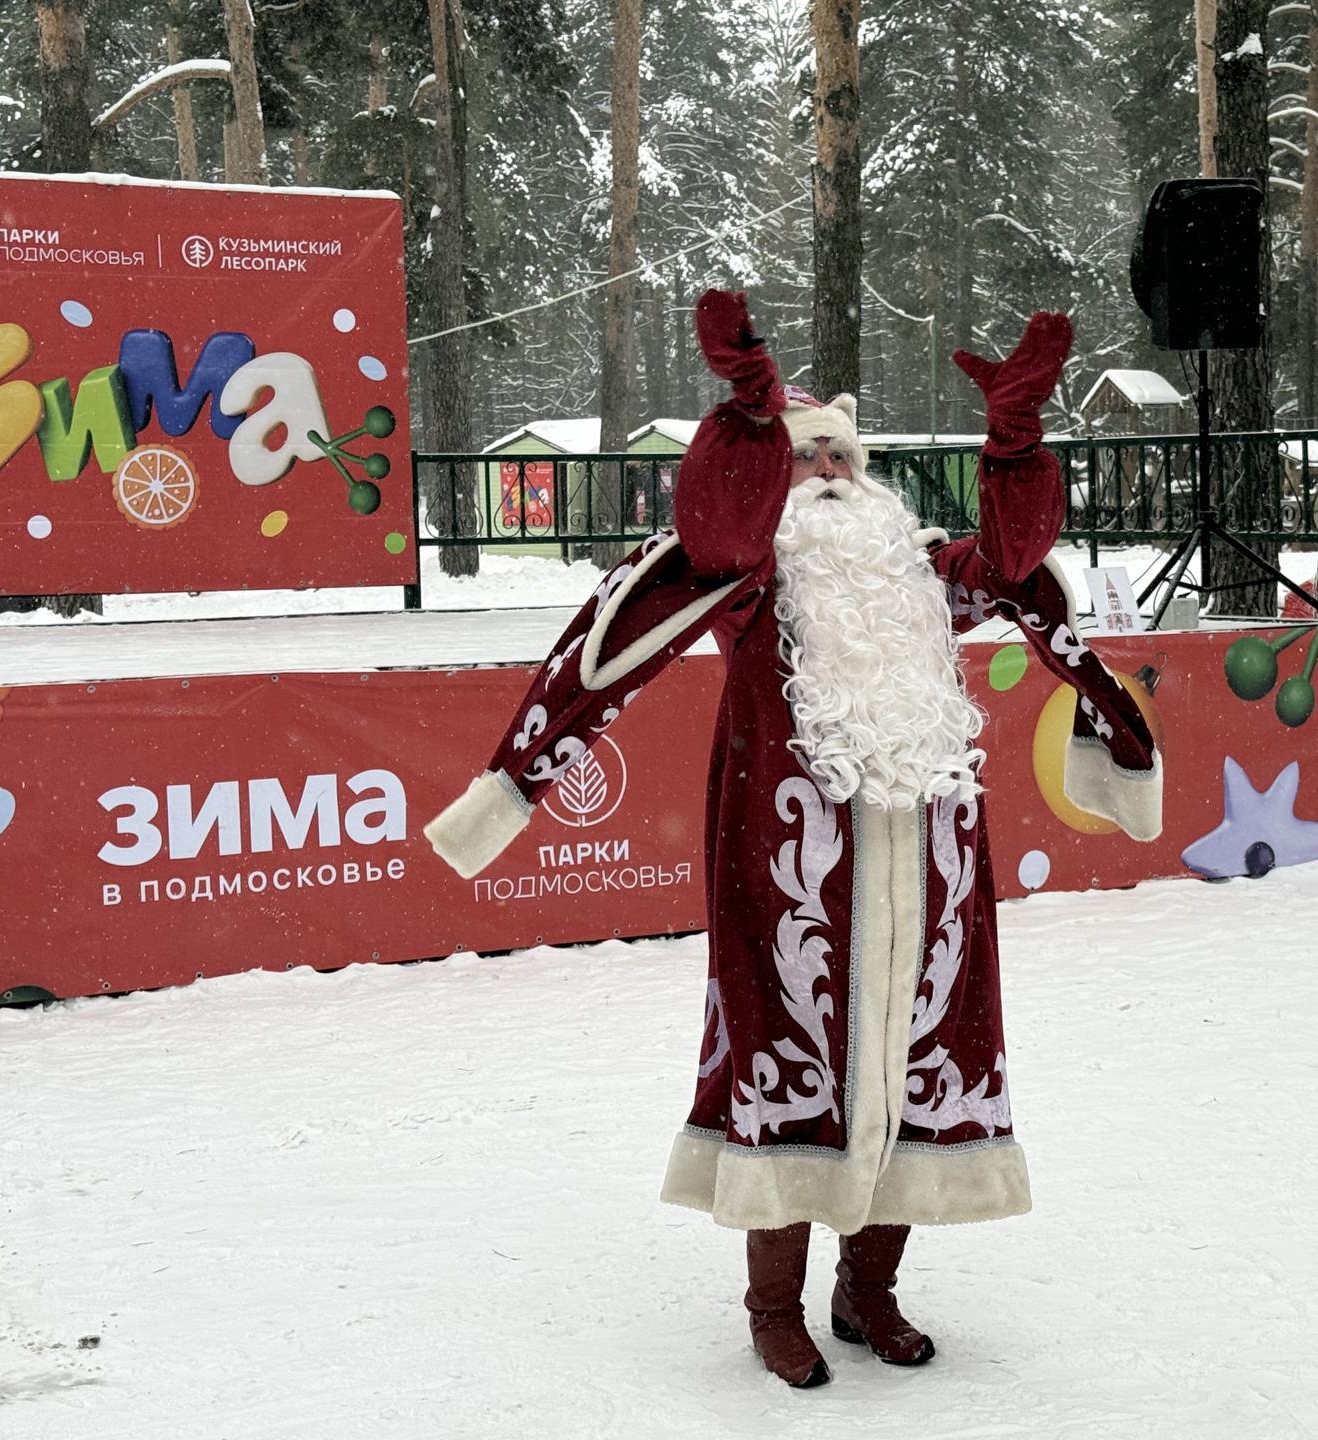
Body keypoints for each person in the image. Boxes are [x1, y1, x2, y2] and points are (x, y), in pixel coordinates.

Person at [423, 291, 1162, 1388]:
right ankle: (773, 1307)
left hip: (933, 882)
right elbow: (713, 532)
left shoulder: (924, 578)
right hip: (790, 886)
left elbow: (1017, 565)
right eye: (804, 460)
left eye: (838, 460)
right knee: (792, 1072)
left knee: (916, 1072)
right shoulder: (749, 579)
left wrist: (1014, 445)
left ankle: (870, 1292)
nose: (826, 475)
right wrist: (747, 419)